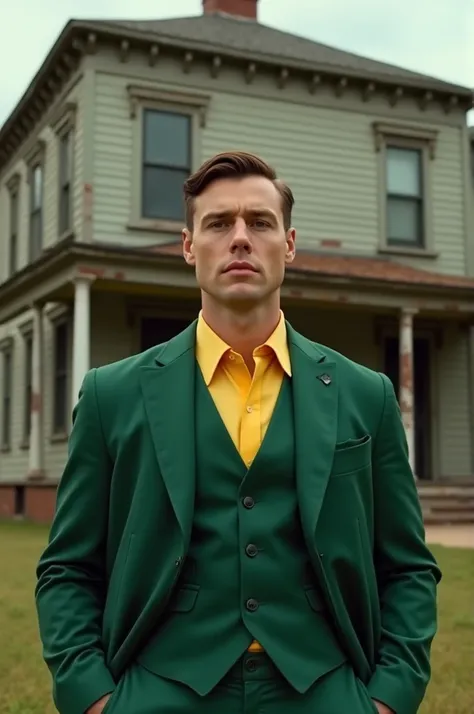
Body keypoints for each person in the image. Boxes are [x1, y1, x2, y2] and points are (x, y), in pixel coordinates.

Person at [35, 151, 441, 714]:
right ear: (188, 246)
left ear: (290, 245)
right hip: (158, 690)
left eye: (261, 222)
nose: (241, 238)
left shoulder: (364, 394)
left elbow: (408, 567)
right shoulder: (113, 394)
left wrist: (388, 698)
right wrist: (95, 697)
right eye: (219, 223)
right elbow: (68, 566)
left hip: (325, 689)